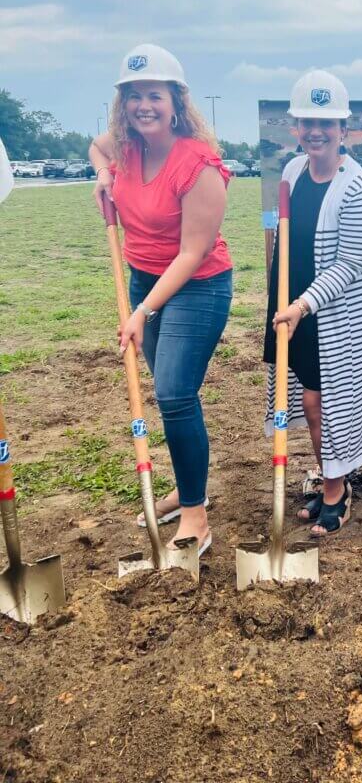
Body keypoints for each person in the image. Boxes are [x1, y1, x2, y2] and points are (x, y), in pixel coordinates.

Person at [89, 44, 233, 555]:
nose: (143, 105)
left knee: (173, 393)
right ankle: (187, 485)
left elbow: (193, 253)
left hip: (197, 285)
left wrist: (143, 311)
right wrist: (105, 173)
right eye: (134, 96)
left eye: (154, 95)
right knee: (170, 395)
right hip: (142, 277)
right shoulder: (125, 145)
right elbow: (96, 146)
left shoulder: (200, 164)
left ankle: (195, 513)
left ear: (177, 101)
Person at [264, 71, 362, 536]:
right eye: (307, 122)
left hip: (335, 318)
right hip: (295, 312)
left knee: (324, 405)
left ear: (344, 128)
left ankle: (336, 489)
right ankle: (331, 478)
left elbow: (351, 264)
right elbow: (285, 240)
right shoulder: (293, 172)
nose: (316, 131)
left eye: (327, 122)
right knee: (308, 400)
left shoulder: (357, 187)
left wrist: (302, 305)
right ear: (296, 126)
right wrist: (282, 302)